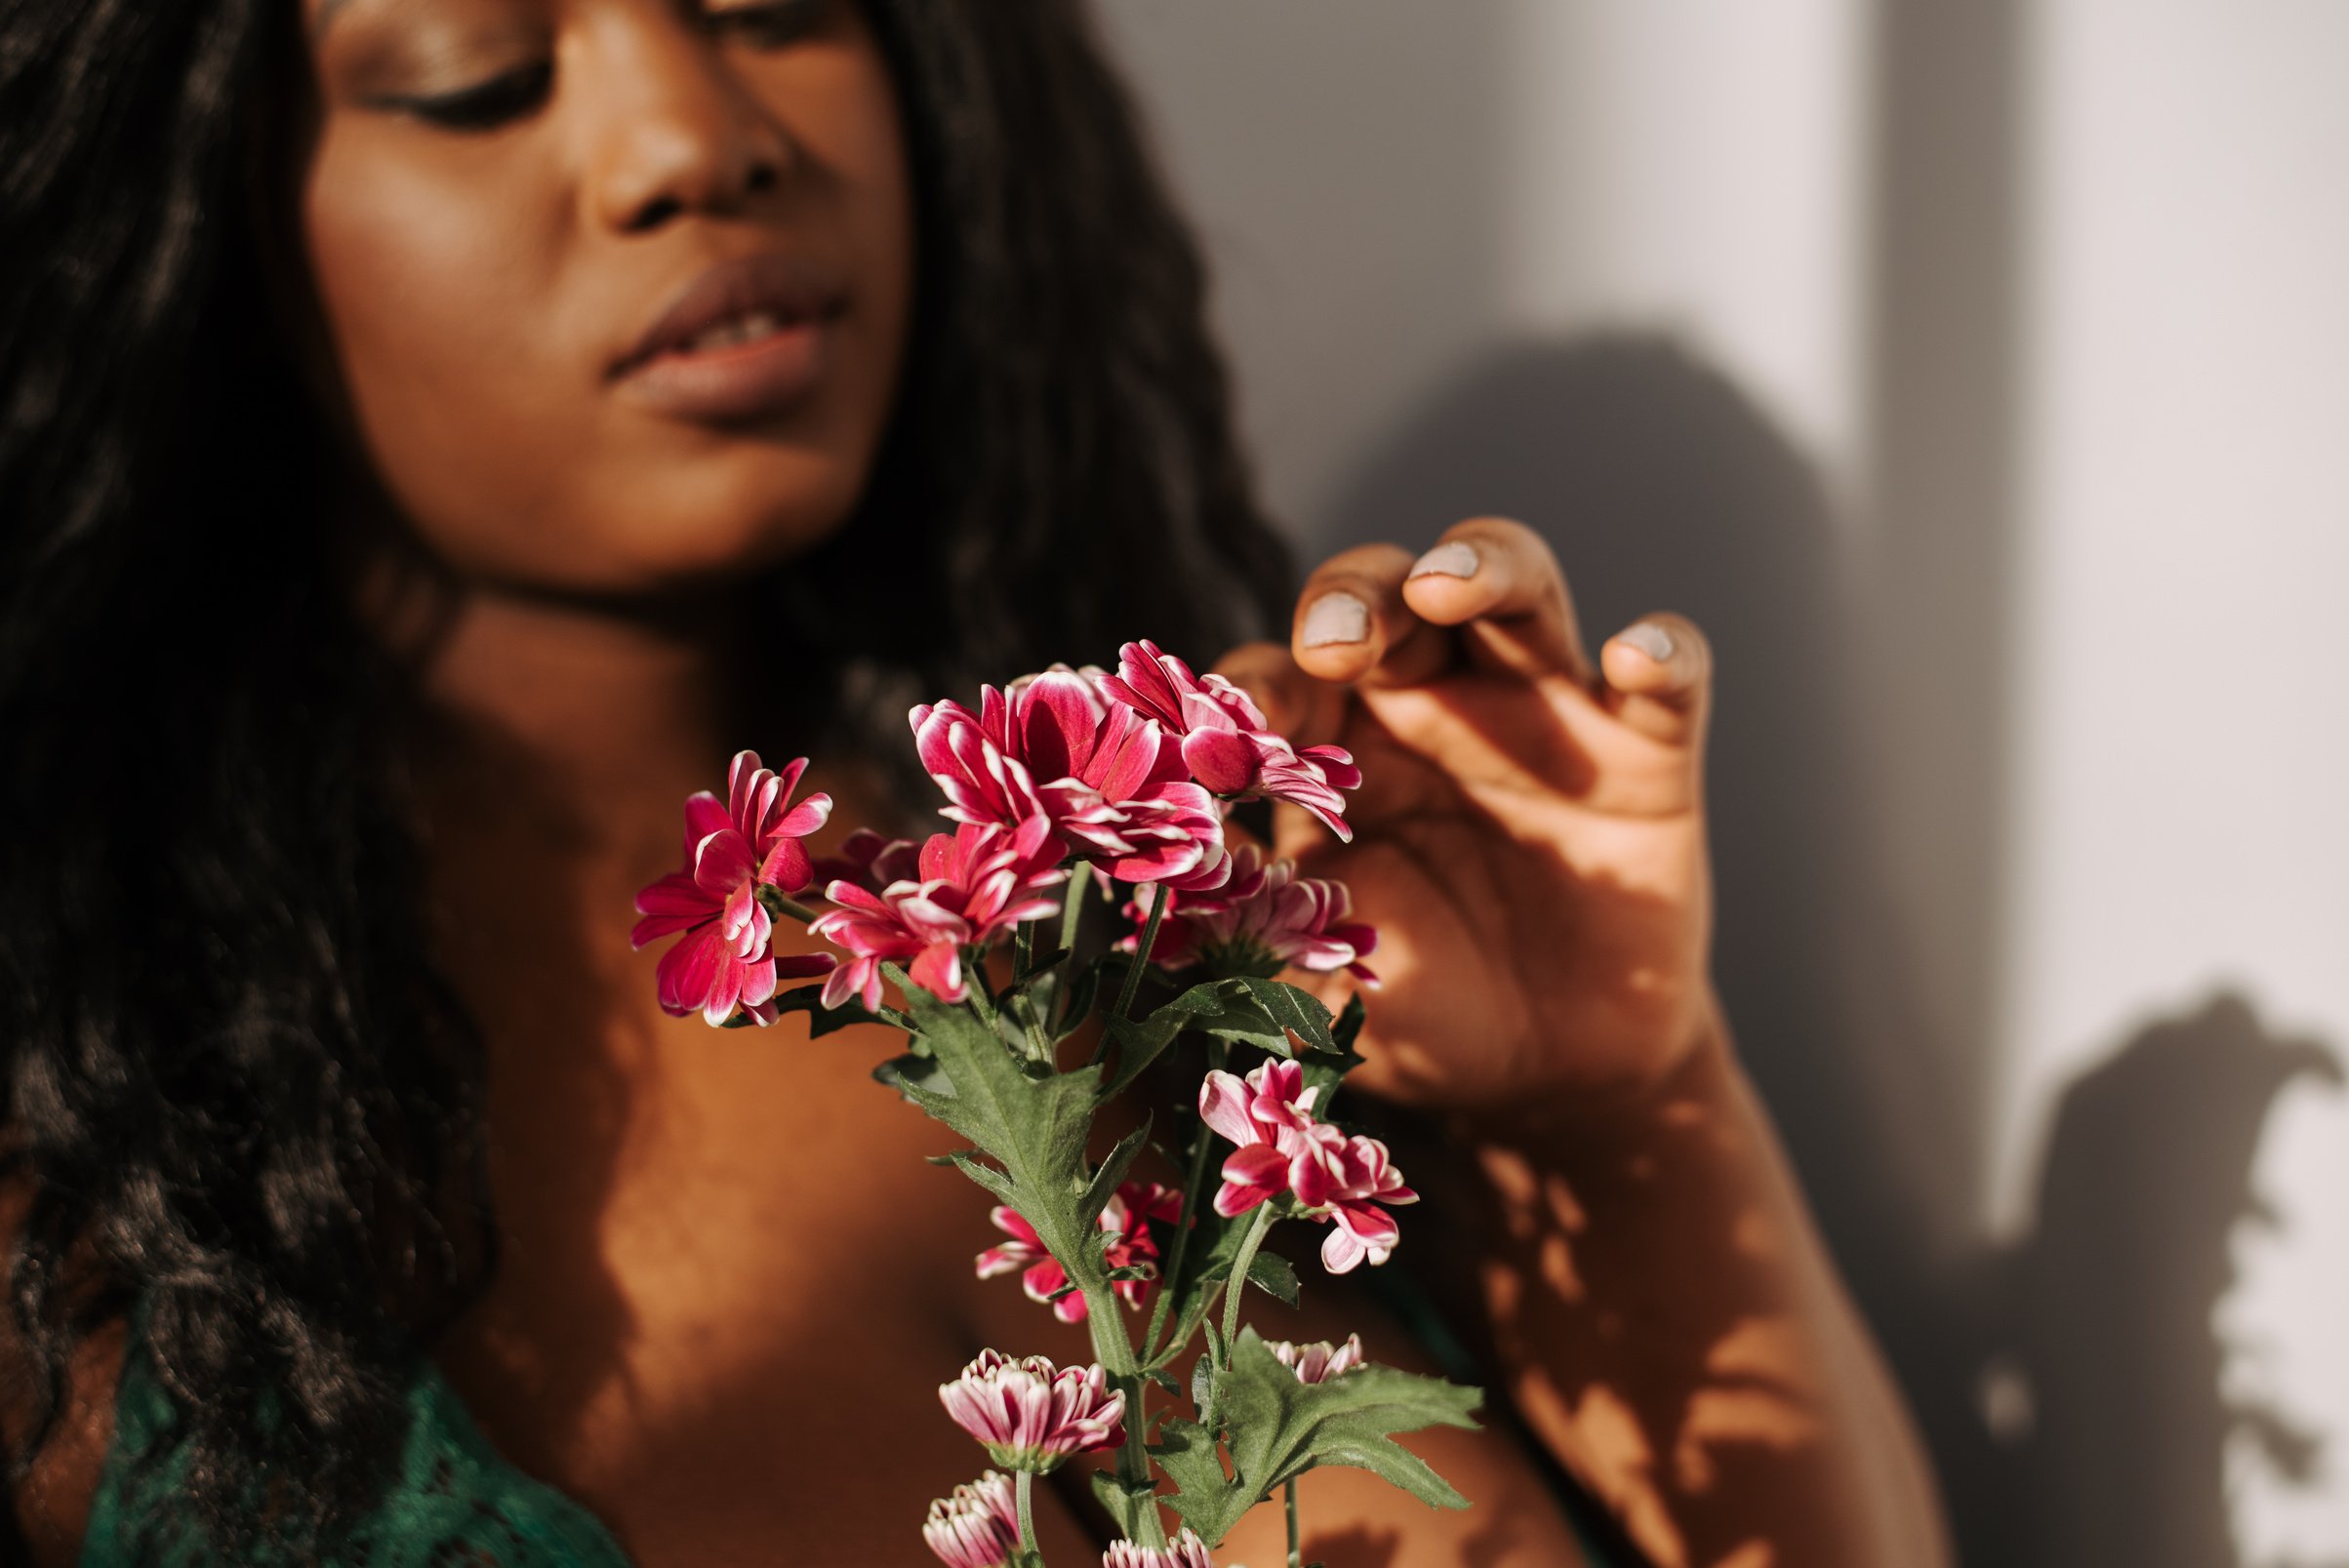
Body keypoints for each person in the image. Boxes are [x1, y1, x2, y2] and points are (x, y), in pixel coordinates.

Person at [0, 0, 1951, 1563]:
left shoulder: (1216, 913)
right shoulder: (81, 1137)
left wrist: (1627, 1100)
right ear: (199, 204)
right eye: (476, 77)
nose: (696, 139)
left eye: (777, 7)